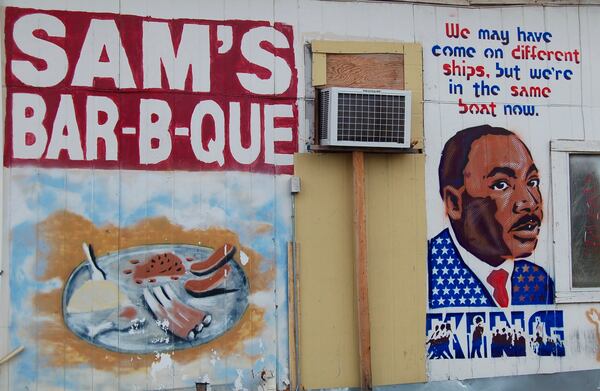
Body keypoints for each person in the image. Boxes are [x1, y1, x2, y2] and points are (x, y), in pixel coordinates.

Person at [428, 124, 554, 309]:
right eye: (501, 185)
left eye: (532, 181)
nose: (529, 202)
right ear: (455, 203)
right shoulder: (428, 273)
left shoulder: (538, 282)